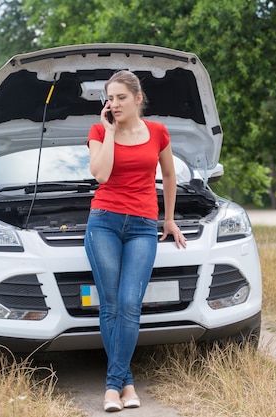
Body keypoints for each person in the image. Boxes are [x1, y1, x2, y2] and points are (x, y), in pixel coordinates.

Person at [84, 70, 187, 412]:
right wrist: (111, 133)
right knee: (111, 305)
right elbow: (100, 174)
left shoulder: (157, 132)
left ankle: (115, 384)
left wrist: (169, 219)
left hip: (143, 226)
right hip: (104, 223)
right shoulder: (100, 130)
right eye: (109, 98)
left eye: (120, 97)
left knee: (130, 304)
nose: (113, 104)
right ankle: (122, 385)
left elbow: (169, 175)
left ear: (138, 98)